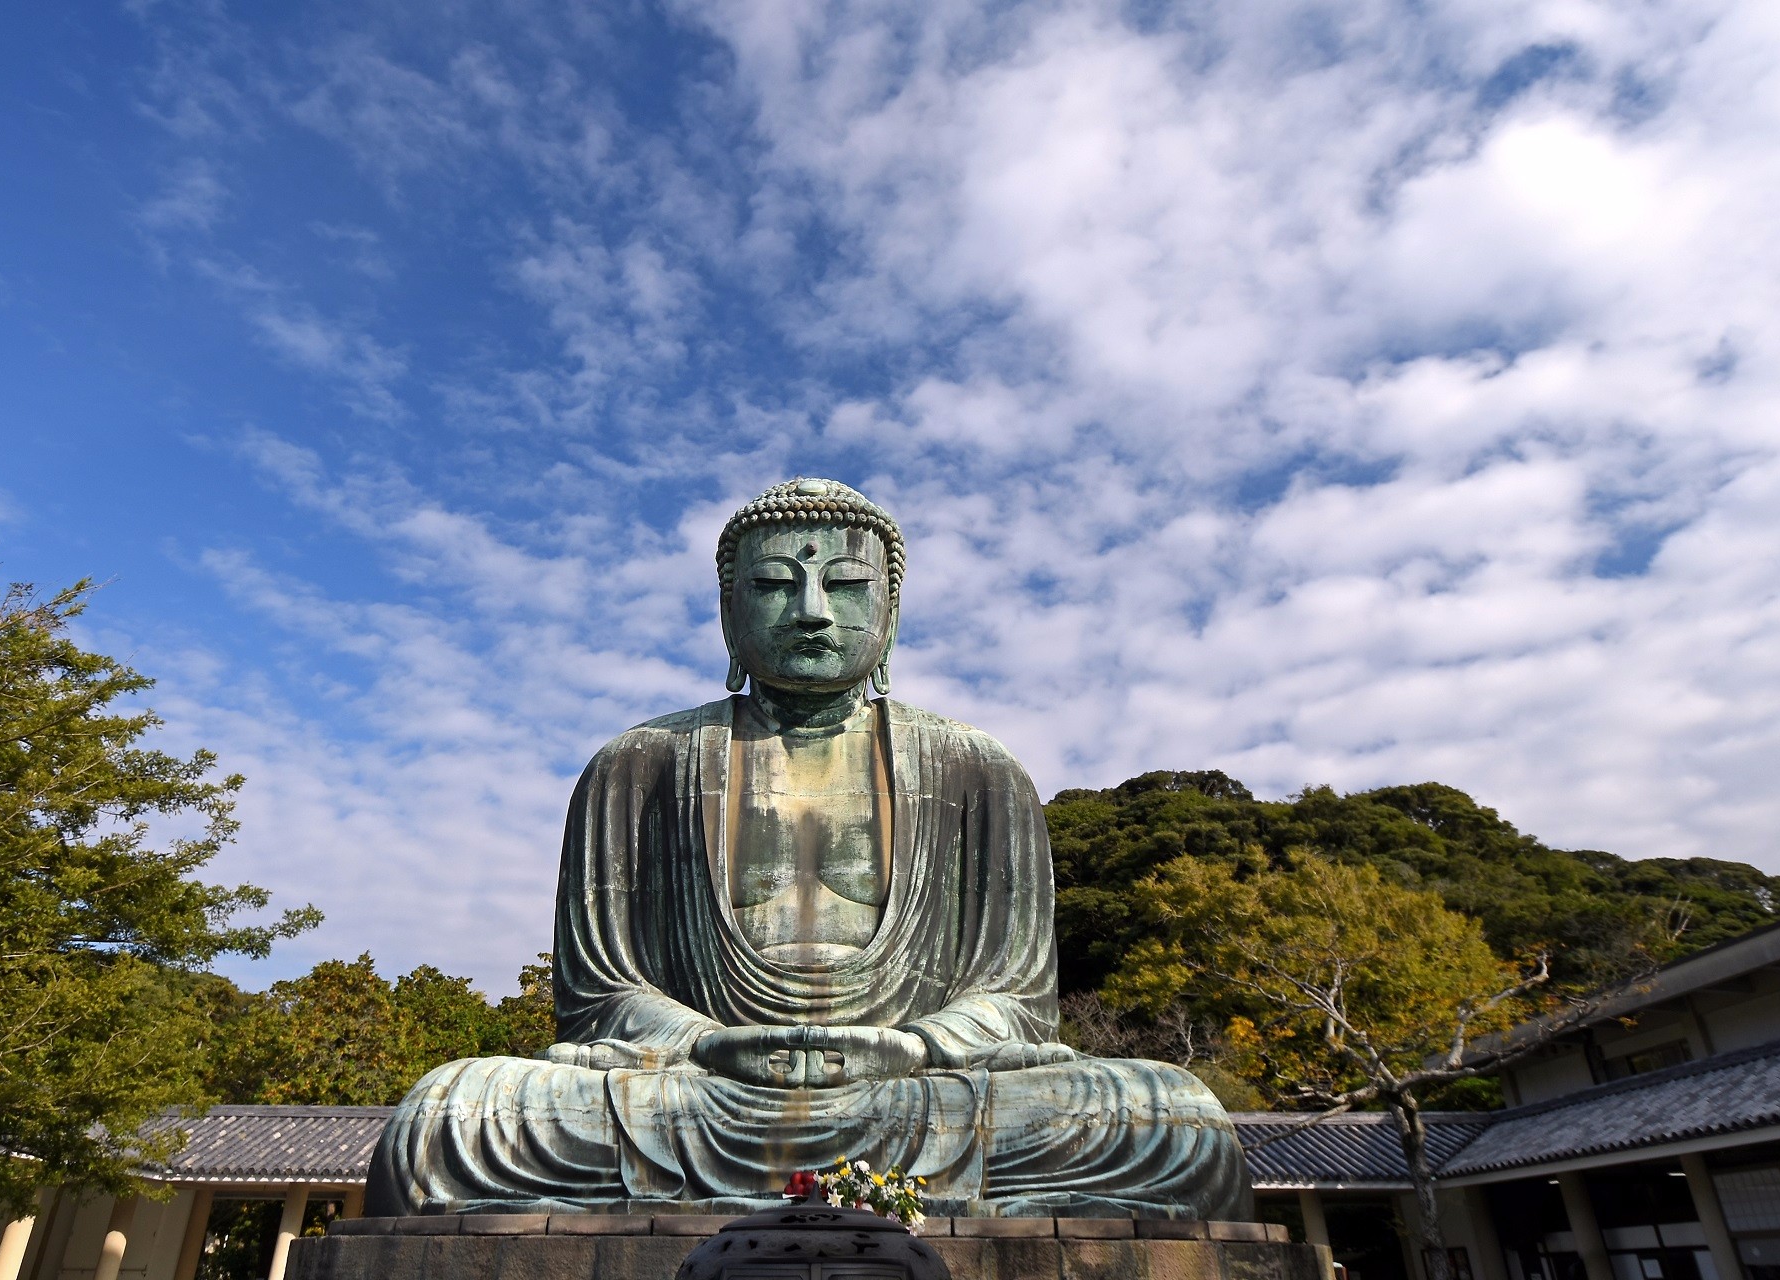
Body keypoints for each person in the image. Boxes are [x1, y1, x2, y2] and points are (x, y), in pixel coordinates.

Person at [366, 478, 1251, 1219]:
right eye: (775, 586)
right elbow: (601, 998)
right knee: (451, 1115)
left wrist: (913, 1049)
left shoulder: (978, 771)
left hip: (920, 1092)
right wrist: (707, 1043)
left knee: (1174, 1121)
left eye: (848, 587)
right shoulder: (638, 766)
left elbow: (1016, 1004)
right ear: (727, 609)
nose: (813, 611)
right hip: (700, 1092)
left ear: (892, 611)